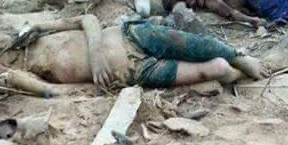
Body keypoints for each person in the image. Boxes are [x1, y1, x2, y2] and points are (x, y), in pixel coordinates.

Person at [20, 15, 268, 89]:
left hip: (130, 36)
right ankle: (235, 74)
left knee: (197, 45)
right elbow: (59, 92)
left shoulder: (38, 34)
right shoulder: (26, 74)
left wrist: (95, 55)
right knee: (217, 68)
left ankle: (239, 57)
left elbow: (89, 19)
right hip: (135, 72)